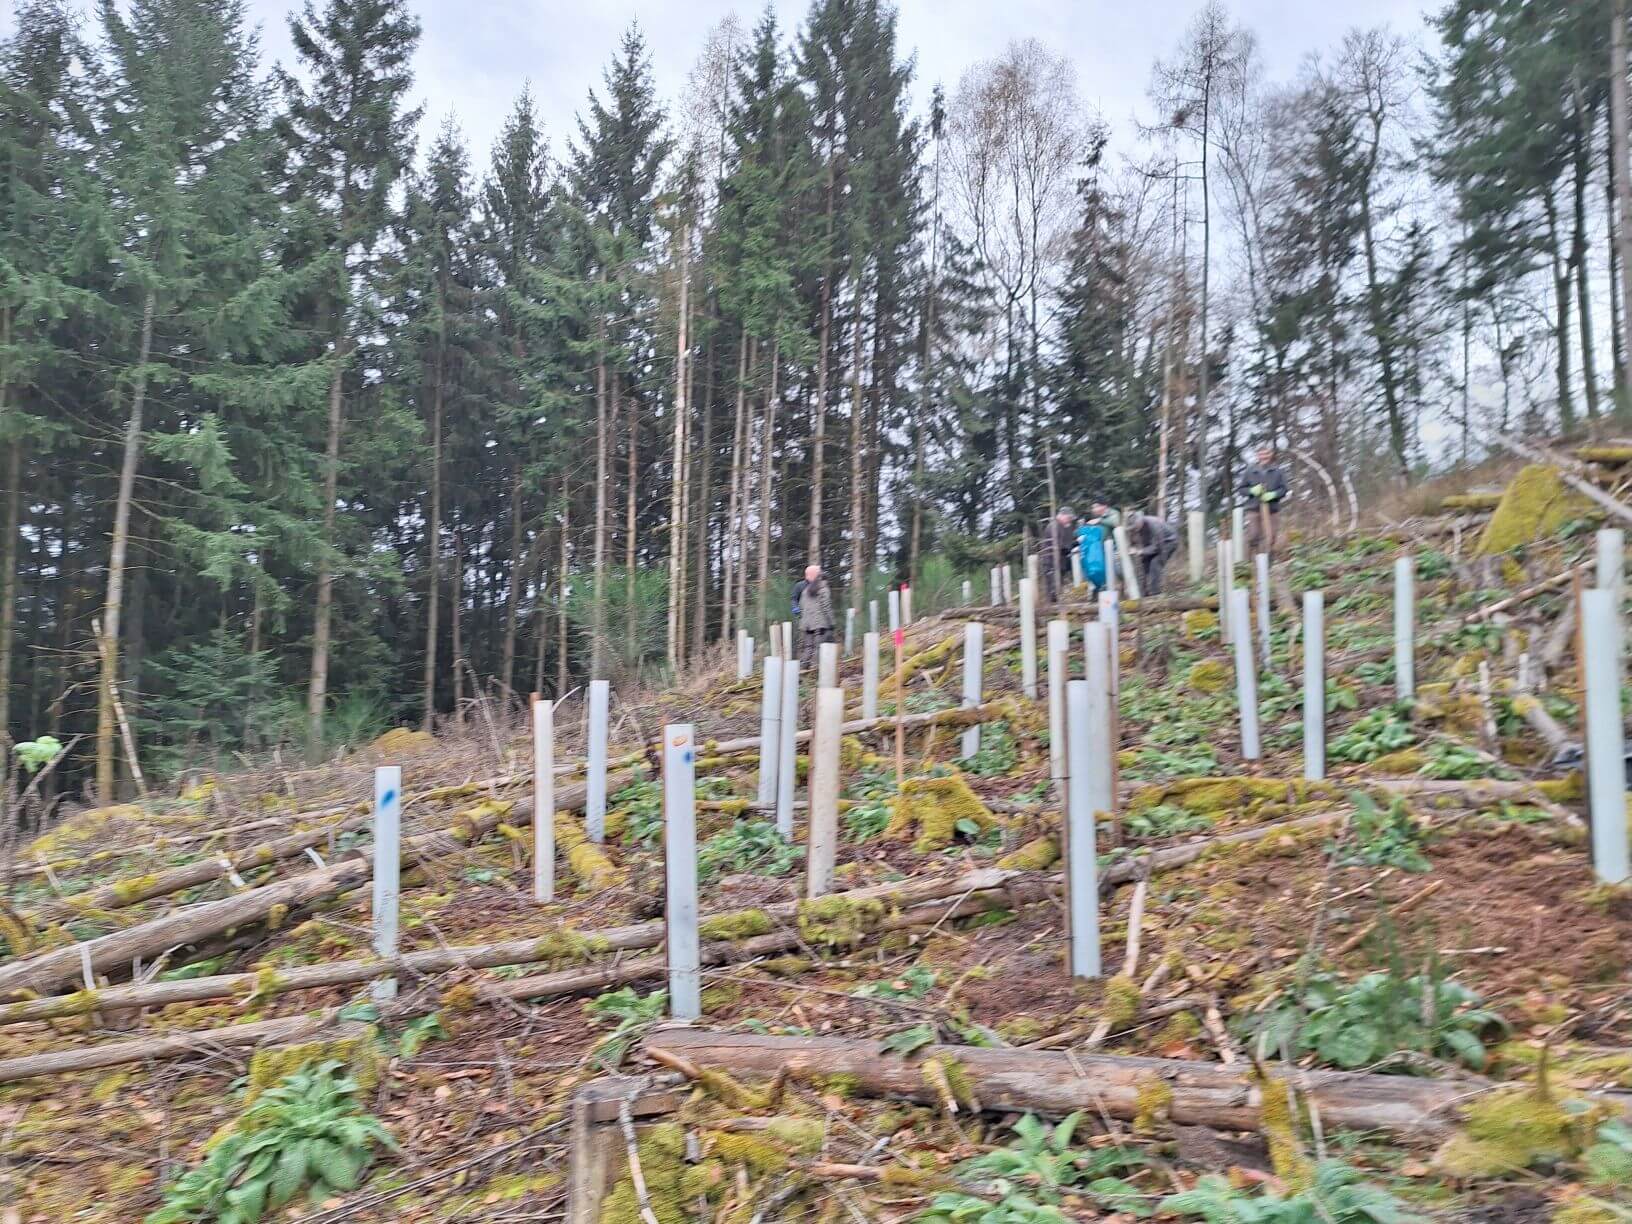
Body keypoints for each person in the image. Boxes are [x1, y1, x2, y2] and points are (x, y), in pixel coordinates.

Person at [1237, 446, 1289, 554]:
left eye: (1266, 454)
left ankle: (1268, 561)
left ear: (1270, 455)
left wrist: (1273, 494)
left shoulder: (1278, 471)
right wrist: (1252, 490)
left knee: (1271, 536)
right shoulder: (1250, 471)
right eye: (1261, 454)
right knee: (1254, 535)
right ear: (1257, 456)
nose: (1264, 456)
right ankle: (1252, 559)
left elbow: (1284, 489)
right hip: (1254, 509)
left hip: (1272, 510)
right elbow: (1241, 489)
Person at [1125, 511, 1179, 595]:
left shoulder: (1154, 525)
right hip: (1153, 545)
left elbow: (1158, 547)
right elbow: (1134, 542)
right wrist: (1131, 548)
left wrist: (1141, 551)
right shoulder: (1136, 528)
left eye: (1135, 526)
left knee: (1155, 563)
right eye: (1133, 527)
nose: (1135, 529)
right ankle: (1142, 595)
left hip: (1169, 541)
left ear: (1140, 521)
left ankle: (1155, 593)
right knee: (1143, 565)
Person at [795, 564, 835, 666]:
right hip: (819, 623)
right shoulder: (824, 589)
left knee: (808, 646)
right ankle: (815, 666)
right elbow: (826, 607)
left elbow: (801, 605)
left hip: (806, 623)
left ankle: (803, 664)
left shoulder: (806, 590)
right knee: (818, 646)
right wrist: (831, 622)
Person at [1037, 507, 1078, 601]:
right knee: (1052, 589)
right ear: (1062, 516)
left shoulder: (1059, 526)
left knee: (1057, 588)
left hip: (1057, 562)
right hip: (1051, 562)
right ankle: (1051, 610)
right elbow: (1059, 547)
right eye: (1069, 518)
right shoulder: (1055, 526)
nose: (1069, 521)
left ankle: (1054, 608)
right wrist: (1073, 546)